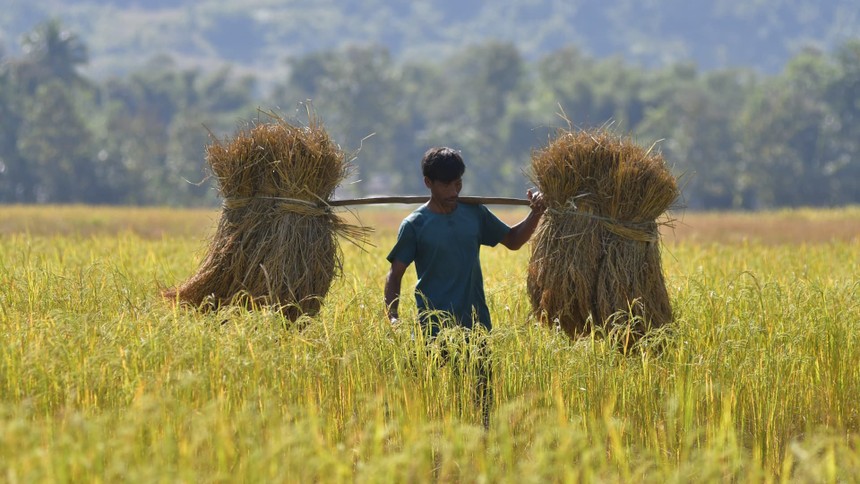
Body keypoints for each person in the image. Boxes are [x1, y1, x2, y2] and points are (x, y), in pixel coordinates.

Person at [383, 146, 545, 427]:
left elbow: (513, 240)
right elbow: (395, 274)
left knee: (481, 405)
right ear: (428, 183)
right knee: (427, 404)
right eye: (446, 184)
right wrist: (393, 316)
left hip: (476, 326)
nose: (454, 191)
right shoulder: (415, 225)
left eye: (458, 183)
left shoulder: (474, 214)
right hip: (431, 330)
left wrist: (535, 214)